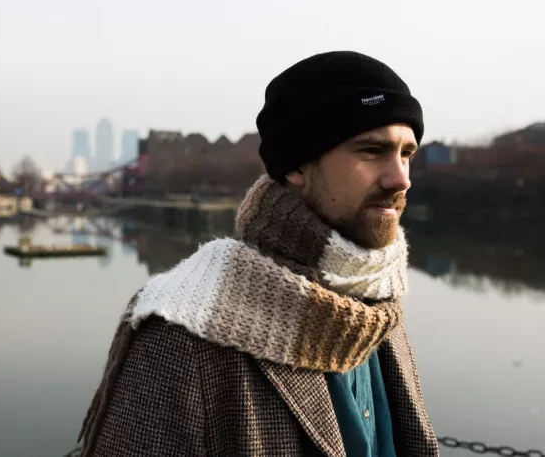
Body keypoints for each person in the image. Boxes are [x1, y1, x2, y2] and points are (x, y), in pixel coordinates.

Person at [75, 51, 439, 457]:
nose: (400, 178)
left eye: (407, 153)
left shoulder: (379, 306)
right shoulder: (184, 335)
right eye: (371, 151)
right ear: (296, 167)